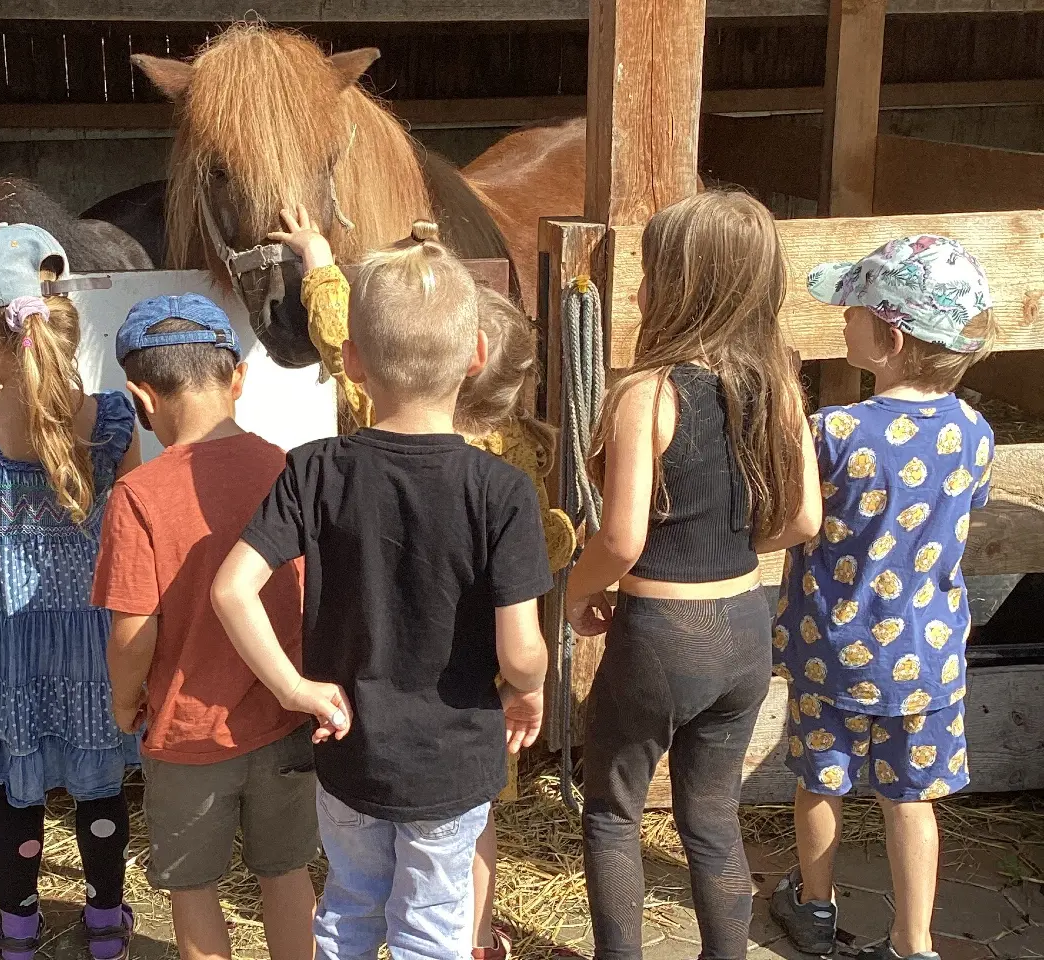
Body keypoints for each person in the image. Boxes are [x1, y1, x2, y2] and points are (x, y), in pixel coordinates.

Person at [212, 223, 553, 960]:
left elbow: (231, 590)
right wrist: (528, 690)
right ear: (476, 357)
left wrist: (296, 688)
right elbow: (520, 649)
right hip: (453, 762)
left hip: (349, 748)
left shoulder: (313, 470)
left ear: (355, 363)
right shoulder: (503, 491)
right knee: (433, 928)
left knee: (351, 911)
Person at [564, 190, 823, 960]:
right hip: (743, 628)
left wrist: (579, 591)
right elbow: (804, 521)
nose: (639, 289)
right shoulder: (778, 382)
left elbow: (620, 535)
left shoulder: (649, 392)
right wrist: (735, 535)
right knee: (712, 818)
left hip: (661, 635)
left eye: (651, 272)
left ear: (682, 289)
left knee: (613, 811)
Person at [769, 236, 997, 960]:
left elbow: (793, 519)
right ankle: (914, 942)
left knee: (820, 783)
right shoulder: (974, 432)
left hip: (830, 648)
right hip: (926, 655)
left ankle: (813, 907)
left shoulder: (833, 431)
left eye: (852, 311)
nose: (841, 322)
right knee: (912, 800)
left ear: (889, 337)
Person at [0, 223, 140, 960]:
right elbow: (136, 525)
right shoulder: (110, 418)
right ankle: (106, 924)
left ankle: (18, 933)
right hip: (92, 636)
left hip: (5, 639)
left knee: (17, 793)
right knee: (99, 784)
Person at [92, 293, 318, 960]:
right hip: (283, 715)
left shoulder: (138, 495)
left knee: (193, 890)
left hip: (186, 734)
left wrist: (123, 702)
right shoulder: (284, 467)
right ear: (238, 378)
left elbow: (133, 632)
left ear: (139, 396)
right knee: (286, 872)